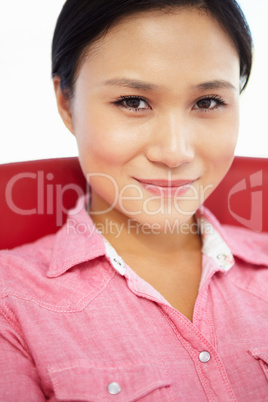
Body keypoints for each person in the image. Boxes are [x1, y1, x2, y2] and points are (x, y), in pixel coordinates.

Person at [0, 0, 267, 400]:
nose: (175, 152)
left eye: (208, 101)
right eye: (133, 102)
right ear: (66, 103)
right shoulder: (10, 304)